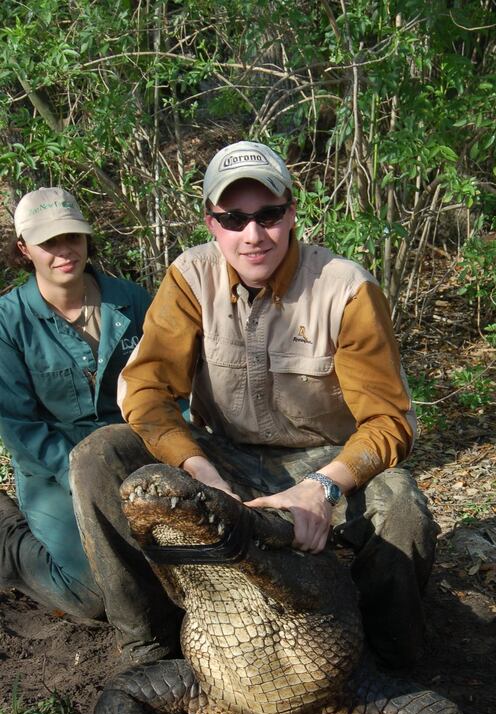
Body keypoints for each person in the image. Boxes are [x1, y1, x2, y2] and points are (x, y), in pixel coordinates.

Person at [70, 142, 438, 667]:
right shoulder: (189, 278)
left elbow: (388, 419)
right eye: (234, 218)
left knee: (401, 508)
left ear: (291, 212)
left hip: (321, 457)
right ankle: (151, 643)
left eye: (268, 215)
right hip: (221, 451)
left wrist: (323, 488)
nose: (253, 234)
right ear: (211, 222)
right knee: (98, 457)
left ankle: (387, 661)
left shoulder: (345, 289)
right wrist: (198, 471)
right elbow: (146, 390)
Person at [0, 187, 178, 664]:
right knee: (95, 593)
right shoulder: (8, 322)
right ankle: (10, 541)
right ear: (24, 249)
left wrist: (184, 452)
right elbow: (19, 425)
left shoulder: (132, 301)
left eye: (72, 237)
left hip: (135, 453)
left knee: (172, 573)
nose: (64, 251)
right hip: (53, 467)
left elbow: (172, 386)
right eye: (48, 242)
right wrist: (79, 478)